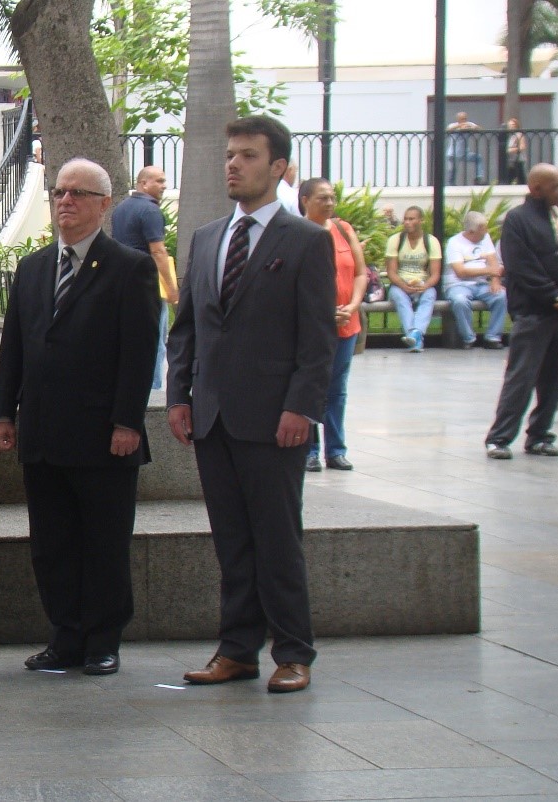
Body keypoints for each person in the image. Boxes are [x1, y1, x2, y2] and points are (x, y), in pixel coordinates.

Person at [166, 115, 334, 694]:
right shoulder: (208, 237)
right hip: (212, 416)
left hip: (274, 419)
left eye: (248, 156)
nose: (233, 164)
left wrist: (301, 408)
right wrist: (179, 396)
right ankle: (237, 650)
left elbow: (318, 339)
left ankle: (293, 652)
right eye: (230, 155)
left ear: (279, 167)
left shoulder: (306, 240)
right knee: (232, 542)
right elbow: (187, 327)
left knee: (277, 539)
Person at [0, 157, 159, 677]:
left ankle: (102, 640)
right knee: (52, 545)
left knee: (103, 543)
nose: (65, 200)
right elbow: (14, 348)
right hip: (43, 433)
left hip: (103, 436)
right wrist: (3, 413)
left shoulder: (129, 267)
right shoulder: (34, 267)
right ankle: (64, 637)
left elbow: (138, 353)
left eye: (78, 193)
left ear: (103, 204)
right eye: (60, 192)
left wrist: (127, 421)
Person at [485, 163, 558, 459]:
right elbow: (521, 266)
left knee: (553, 380)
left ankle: (540, 435)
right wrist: (554, 296)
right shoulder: (518, 220)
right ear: (536, 189)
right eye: (556, 187)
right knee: (521, 377)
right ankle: (499, 437)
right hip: (534, 312)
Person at [299, 178, 367, 473]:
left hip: (346, 325)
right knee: (312, 387)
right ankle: (309, 450)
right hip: (313, 327)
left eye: (332, 198)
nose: (329, 203)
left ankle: (336, 450)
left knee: (337, 389)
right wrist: (324, 313)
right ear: (305, 200)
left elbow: (361, 273)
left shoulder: (343, 229)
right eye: (322, 198)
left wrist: (352, 305)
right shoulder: (297, 233)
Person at [110, 165, 178, 390]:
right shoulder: (150, 211)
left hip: (122, 283)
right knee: (155, 341)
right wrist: (172, 290)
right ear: (143, 183)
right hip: (148, 285)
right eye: (159, 181)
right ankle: (153, 391)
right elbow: (158, 251)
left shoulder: (120, 209)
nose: (164, 186)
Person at [443, 211, 508, 349]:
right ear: (471, 231)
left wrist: (495, 281)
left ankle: (493, 337)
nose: (486, 231)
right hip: (458, 284)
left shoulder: (485, 238)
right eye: (483, 229)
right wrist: (488, 271)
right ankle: (468, 338)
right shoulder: (454, 243)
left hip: (482, 284)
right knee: (460, 301)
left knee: (501, 296)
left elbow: (493, 261)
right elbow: (461, 272)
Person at [385, 206, 443, 352]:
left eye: (411, 219)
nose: (407, 222)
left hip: (422, 284)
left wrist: (425, 286)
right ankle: (416, 336)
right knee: (400, 298)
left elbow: (435, 274)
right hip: (400, 285)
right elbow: (391, 272)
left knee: (430, 295)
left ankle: (414, 334)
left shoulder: (431, 241)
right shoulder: (395, 240)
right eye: (405, 219)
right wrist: (403, 285)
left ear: (421, 221)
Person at [446, 111, 485, 185]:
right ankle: (451, 185)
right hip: (453, 154)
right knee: (452, 171)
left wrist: (473, 128)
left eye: (465, 119)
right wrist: (459, 126)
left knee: (478, 157)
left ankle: (478, 178)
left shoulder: (469, 124)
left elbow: (481, 130)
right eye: (462, 119)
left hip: (464, 153)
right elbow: (448, 130)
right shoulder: (453, 125)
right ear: (458, 119)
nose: (464, 121)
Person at [505, 118, 528, 185]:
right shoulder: (511, 136)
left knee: (520, 176)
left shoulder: (519, 135)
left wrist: (510, 150)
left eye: (512, 125)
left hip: (518, 159)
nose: (510, 127)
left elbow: (522, 147)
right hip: (511, 160)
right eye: (509, 125)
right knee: (511, 176)